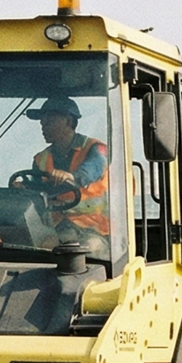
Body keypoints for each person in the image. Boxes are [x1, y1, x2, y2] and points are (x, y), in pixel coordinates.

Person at [25, 95, 112, 255]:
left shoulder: (95, 149)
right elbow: (37, 193)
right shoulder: (40, 159)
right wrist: (23, 188)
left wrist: (71, 177)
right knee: (36, 249)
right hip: (57, 228)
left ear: (69, 122)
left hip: (95, 230)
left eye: (49, 122)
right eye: (42, 123)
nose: (43, 127)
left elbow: (91, 170)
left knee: (87, 250)